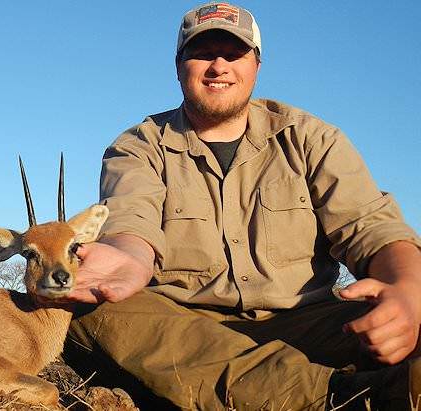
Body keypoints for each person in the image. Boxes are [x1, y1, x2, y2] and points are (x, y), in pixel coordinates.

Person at [59, 2, 421, 410]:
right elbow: (132, 221)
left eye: (234, 53)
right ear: (179, 66)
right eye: (202, 53)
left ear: (256, 65)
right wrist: (127, 259)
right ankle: (349, 397)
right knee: (85, 314)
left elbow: (373, 230)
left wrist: (409, 289)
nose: (219, 66)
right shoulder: (138, 147)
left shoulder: (311, 137)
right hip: (189, 333)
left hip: (310, 321)